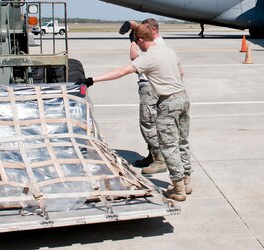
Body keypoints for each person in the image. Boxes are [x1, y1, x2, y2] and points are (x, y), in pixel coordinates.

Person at [81, 24, 193, 201]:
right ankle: (187, 181)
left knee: (168, 146)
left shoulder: (149, 58)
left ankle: (178, 189)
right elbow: (181, 72)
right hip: (183, 98)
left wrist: (92, 80)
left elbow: (122, 71)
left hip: (168, 103)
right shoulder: (168, 51)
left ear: (141, 40)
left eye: (136, 42)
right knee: (182, 142)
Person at [121, 18, 166, 174]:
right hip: (149, 86)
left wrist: (133, 39)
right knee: (151, 122)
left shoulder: (156, 44)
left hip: (149, 87)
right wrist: (133, 27)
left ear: (153, 30)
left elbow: (134, 58)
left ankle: (160, 159)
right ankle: (152, 155)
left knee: (148, 123)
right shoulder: (154, 42)